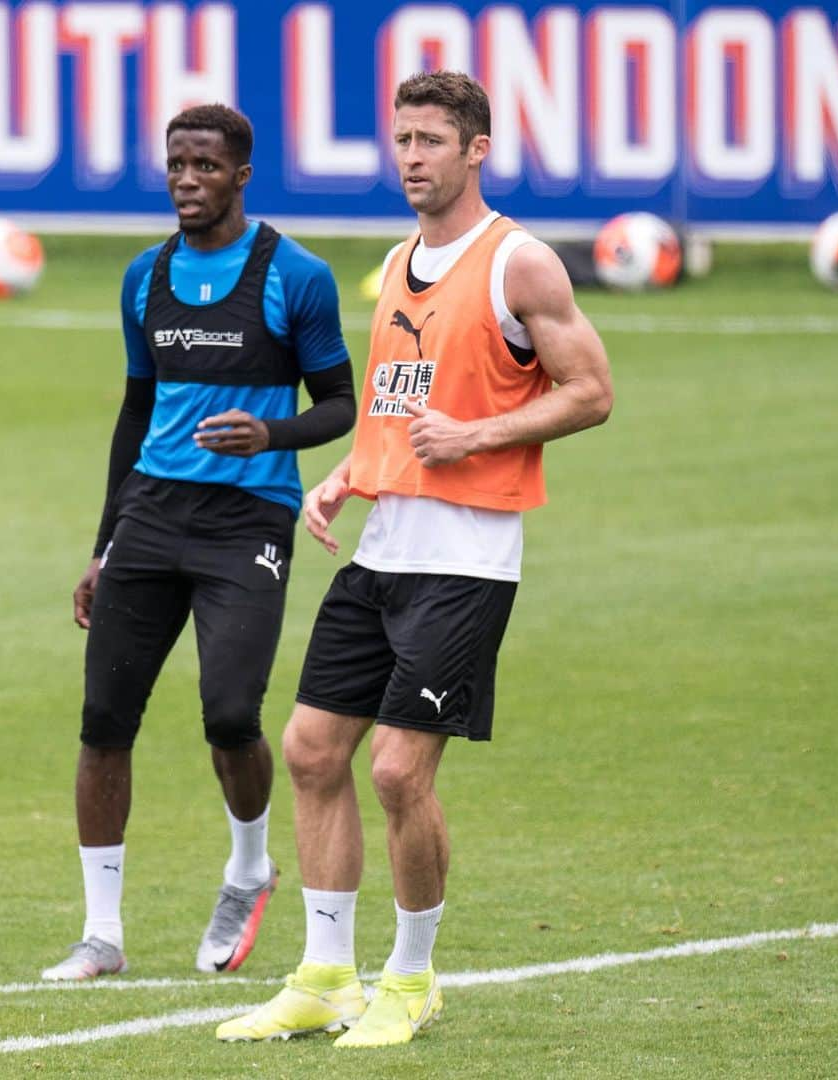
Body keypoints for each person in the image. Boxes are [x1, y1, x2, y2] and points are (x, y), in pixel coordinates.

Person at [217, 71, 613, 1047]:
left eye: (431, 140)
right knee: (311, 751)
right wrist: (344, 475)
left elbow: (592, 391)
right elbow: (399, 407)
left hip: (466, 562)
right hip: (383, 548)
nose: (411, 157)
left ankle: (412, 976)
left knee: (399, 773)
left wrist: (477, 438)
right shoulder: (399, 261)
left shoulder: (521, 263)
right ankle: (323, 974)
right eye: (401, 139)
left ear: (478, 149)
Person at [42, 104, 355, 981]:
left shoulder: (297, 276)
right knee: (104, 720)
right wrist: (103, 546)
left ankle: (249, 868)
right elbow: (136, 411)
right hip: (150, 514)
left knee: (229, 716)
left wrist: (271, 436)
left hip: (248, 521)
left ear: (241, 175)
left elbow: (340, 404)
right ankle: (101, 933)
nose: (187, 179)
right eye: (177, 164)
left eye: (206, 166)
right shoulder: (145, 277)